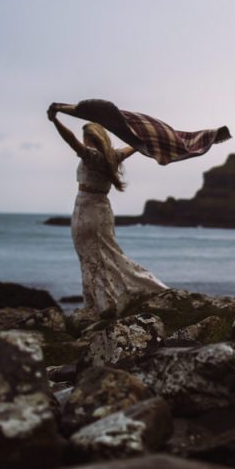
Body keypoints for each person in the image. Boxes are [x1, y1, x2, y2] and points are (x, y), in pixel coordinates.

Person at [48, 102, 167, 313]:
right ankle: (120, 297)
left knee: (89, 259)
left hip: (85, 210)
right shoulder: (114, 156)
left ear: (89, 139)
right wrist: (145, 139)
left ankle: (99, 305)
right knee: (110, 255)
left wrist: (55, 120)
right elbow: (136, 147)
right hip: (103, 210)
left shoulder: (91, 156)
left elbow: (70, 140)